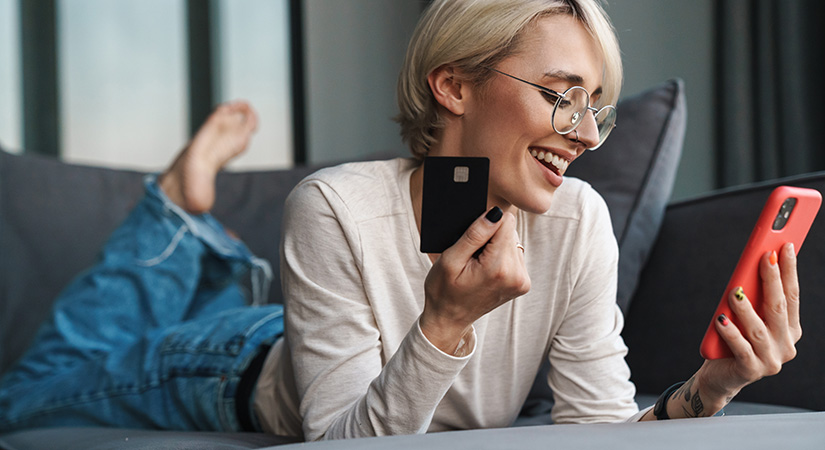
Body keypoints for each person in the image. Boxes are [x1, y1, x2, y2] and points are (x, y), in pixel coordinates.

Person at [0, 0, 802, 441]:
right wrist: (445, 324)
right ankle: (174, 209)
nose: (587, 134)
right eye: (561, 95)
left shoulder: (576, 221)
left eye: (596, 107)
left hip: (307, 332)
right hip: (231, 369)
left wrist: (710, 388)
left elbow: (594, 428)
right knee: (26, 399)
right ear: (452, 86)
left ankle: (198, 237)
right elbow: (342, 440)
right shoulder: (337, 205)